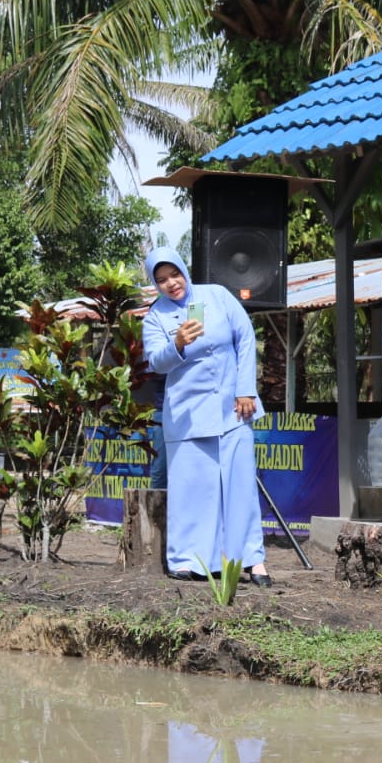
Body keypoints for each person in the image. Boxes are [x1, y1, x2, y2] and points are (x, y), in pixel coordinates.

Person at [141, 246, 271, 587]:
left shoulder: (217, 295)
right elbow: (155, 362)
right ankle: (191, 561)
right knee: (193, 490)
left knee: (240, 485)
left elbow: (245, 338)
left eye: (175, 275)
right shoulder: (155, 317)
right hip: (188, 415)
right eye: (162, 280)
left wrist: (246, 389)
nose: (171, 284)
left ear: (185, 270)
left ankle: (252, 561)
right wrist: (178, 344)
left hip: (233, 407)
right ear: (156, 285)